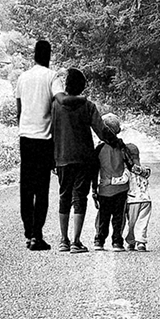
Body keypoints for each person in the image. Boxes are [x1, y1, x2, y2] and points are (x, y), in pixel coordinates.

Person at [51, 70, 132, 253]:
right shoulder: (87, 105)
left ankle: (63, 240)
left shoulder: (55, 105)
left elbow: (49, 133)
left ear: (66, 85)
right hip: (83, 158)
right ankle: (76, 242)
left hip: (62, 157)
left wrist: (51, 159)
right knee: (80, 197)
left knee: (64, 196)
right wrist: (117, 142)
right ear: (82, 86)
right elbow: (101, 130)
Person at [14, 37, 57, 251]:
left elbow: (19, 110)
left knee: (26, 187)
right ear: (49, 55)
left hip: (25, 138)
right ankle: (37, 235)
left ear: (34, 55)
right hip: (44, 140)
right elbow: (59, 102)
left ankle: (28, 231)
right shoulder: (52, 77)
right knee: (42, 190)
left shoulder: (23, 77)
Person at [93, 114, 131, 251]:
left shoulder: (99, 149)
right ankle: (117, 242)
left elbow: (94, 171)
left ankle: (99, 240)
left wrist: (93, 190)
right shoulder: (122, 147)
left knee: (103, 216)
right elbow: (130, 165)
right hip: (121, 188)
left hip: (104, 188)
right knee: (118, 217)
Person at [125, 144, 152, 251]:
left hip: (132, 200)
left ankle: (131, 242)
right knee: (143, 222)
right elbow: (146, 172)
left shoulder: (126, 170)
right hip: (146, 199)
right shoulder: (144, 170)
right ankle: (141, 242)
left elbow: (123, 179)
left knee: (131, 222)